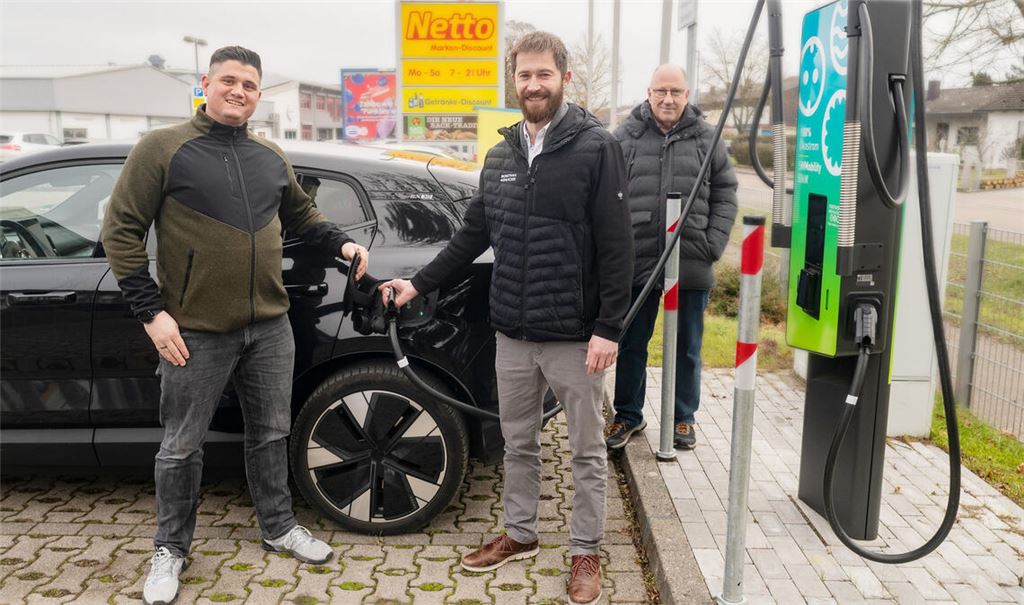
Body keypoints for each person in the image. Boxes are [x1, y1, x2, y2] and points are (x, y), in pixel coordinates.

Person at [102, 46, 369, 605]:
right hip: (193, 329)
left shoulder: (268, 156)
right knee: (181, 446)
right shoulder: (162, 149)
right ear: (206, 83)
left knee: (271, 433)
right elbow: (120, 233)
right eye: (229, 80)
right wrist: (152, 313)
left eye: (249, 84)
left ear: (258, 94)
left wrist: (341, 242)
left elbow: (301, 215)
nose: (239, 91)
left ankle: (277, 527)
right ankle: (169, 550)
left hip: (269, 326)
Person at [379, 31, 633, 605]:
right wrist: (417, 283)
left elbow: (620, 248)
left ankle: (585, 551)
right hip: (513, 333)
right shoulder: (499, 156)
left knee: (586, 451)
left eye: (544, 74)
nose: (533, 84)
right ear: (512, 80)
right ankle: (519, 534)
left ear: (565, 77)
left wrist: (609, 328)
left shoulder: (597, 148)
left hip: (575, 336)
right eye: (524, 75)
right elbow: (470, 237)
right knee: (517, 442)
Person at [605, 64, 738, 452]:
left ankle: (683, 417)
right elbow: (607, 196)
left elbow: (726, 193)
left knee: (687, 346)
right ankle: (628, 415)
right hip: (638, 261)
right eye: (661, 91)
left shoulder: (707, 139)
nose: (668, 99)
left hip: (692, 259)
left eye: (676, 92)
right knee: (631, 343)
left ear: (687, 95)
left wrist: (711, 244)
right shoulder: (625, 138)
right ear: (648, 93)